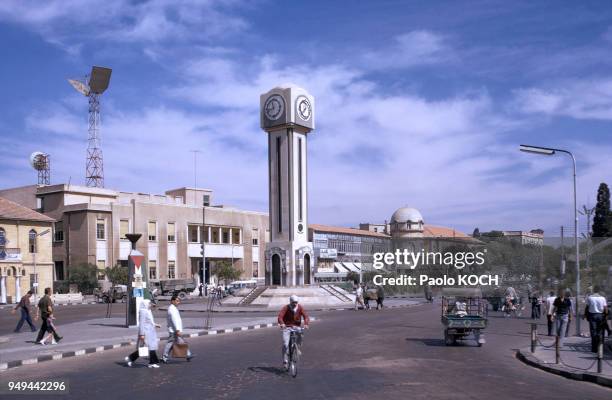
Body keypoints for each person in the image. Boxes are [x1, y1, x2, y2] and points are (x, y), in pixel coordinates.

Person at [125, 300, 162, 368]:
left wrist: (156, 325)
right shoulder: (143, 311)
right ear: (145, 304)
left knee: (147, 348)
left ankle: (131, 358)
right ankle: (152, 362)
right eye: (149, 303)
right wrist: (142, 334)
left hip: (151, 332)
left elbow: (150, 321)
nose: (150, 304)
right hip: (146, 332)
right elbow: (141, 324)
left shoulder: (148, 310)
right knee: (150, 347)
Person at [278, 295, 309, 369]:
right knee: (285, 344)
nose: (295, 304)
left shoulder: (300, 307)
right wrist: (282, 323)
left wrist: (306, 324)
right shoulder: (286, 307)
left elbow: (306, 316)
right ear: (290, 302)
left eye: (296, 302)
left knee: (301, 335)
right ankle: (285, 360)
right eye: (293, 302)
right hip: (287, 327)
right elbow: (280, 316)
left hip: (296, 326)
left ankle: (296, 347)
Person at [162, 295, 193, 363]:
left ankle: (188, 354)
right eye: (177, 301)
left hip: (175, 330)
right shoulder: (172, 309)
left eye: (179, 301)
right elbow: (174, 320)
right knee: (170, 344)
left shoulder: (173, 308)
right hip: (174, 331)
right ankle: (164, 357)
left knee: (180, 342)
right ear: (172, 301)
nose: (178, 302)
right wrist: (178, 330)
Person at [584, 286, 608, 353]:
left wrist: (585, 315)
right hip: (600, 316)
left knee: (593, 331)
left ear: (594, 290)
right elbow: (605, 308)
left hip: (592, 316)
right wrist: (606, 316)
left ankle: (594, 348)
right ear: (599, 291)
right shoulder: (603, 298)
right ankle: (600, 347)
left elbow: (587, 307)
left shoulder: (590, 298)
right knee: (600, 331)